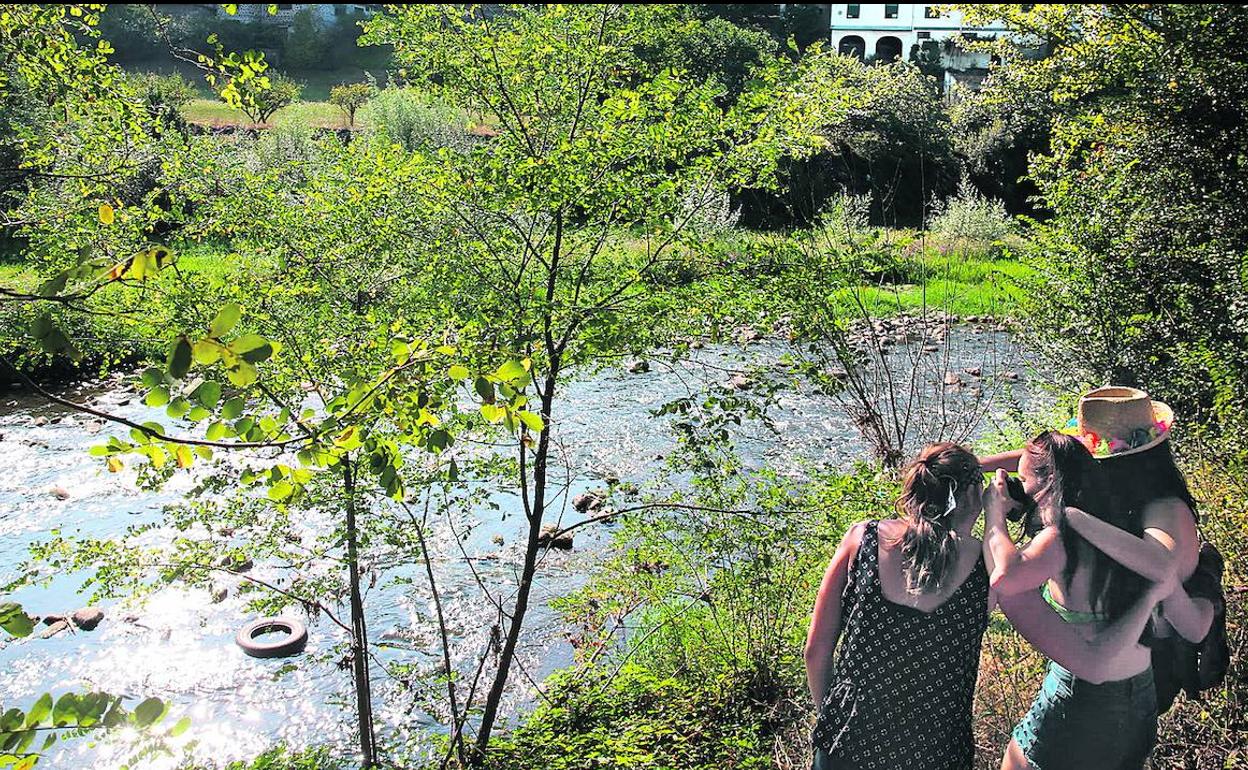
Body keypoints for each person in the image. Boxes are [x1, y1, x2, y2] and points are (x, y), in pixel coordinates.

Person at [806, 442, 1171, 770]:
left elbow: (816, 650)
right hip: (934, 750)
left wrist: (831, 716)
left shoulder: (862, 538)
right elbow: (1062, 455)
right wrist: (1002, 511)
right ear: (971, 497)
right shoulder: (986, 572)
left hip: (848, 737)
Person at [982, 387, 1216, 709]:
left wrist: (1071, 517)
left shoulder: (1165, 510)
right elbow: (1047, 461)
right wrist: (975, 464)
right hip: (1115, 661)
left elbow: (1163, 573)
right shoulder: (1127, 494)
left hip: (1145, 668)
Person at [984, 430, 1170, 769]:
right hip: (1142, 690)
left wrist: (995, 515)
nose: (1020, 491)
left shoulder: (1058, 540)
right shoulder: (1119, 520)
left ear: (1049, 481)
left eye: (1022, 481)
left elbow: (1007, 578)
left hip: (1084, 694)